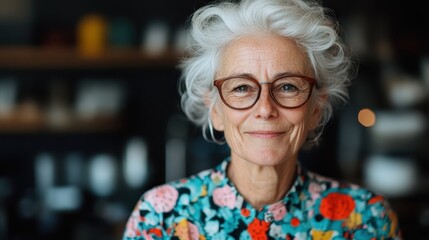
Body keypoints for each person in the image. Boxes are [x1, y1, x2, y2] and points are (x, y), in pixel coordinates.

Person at [123, 0, 402, 239]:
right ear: (216, 111)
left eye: (288, 87)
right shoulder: (160, 219)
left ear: (316, 109)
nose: (265, 109)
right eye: (242, 88)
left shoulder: (367, 220)